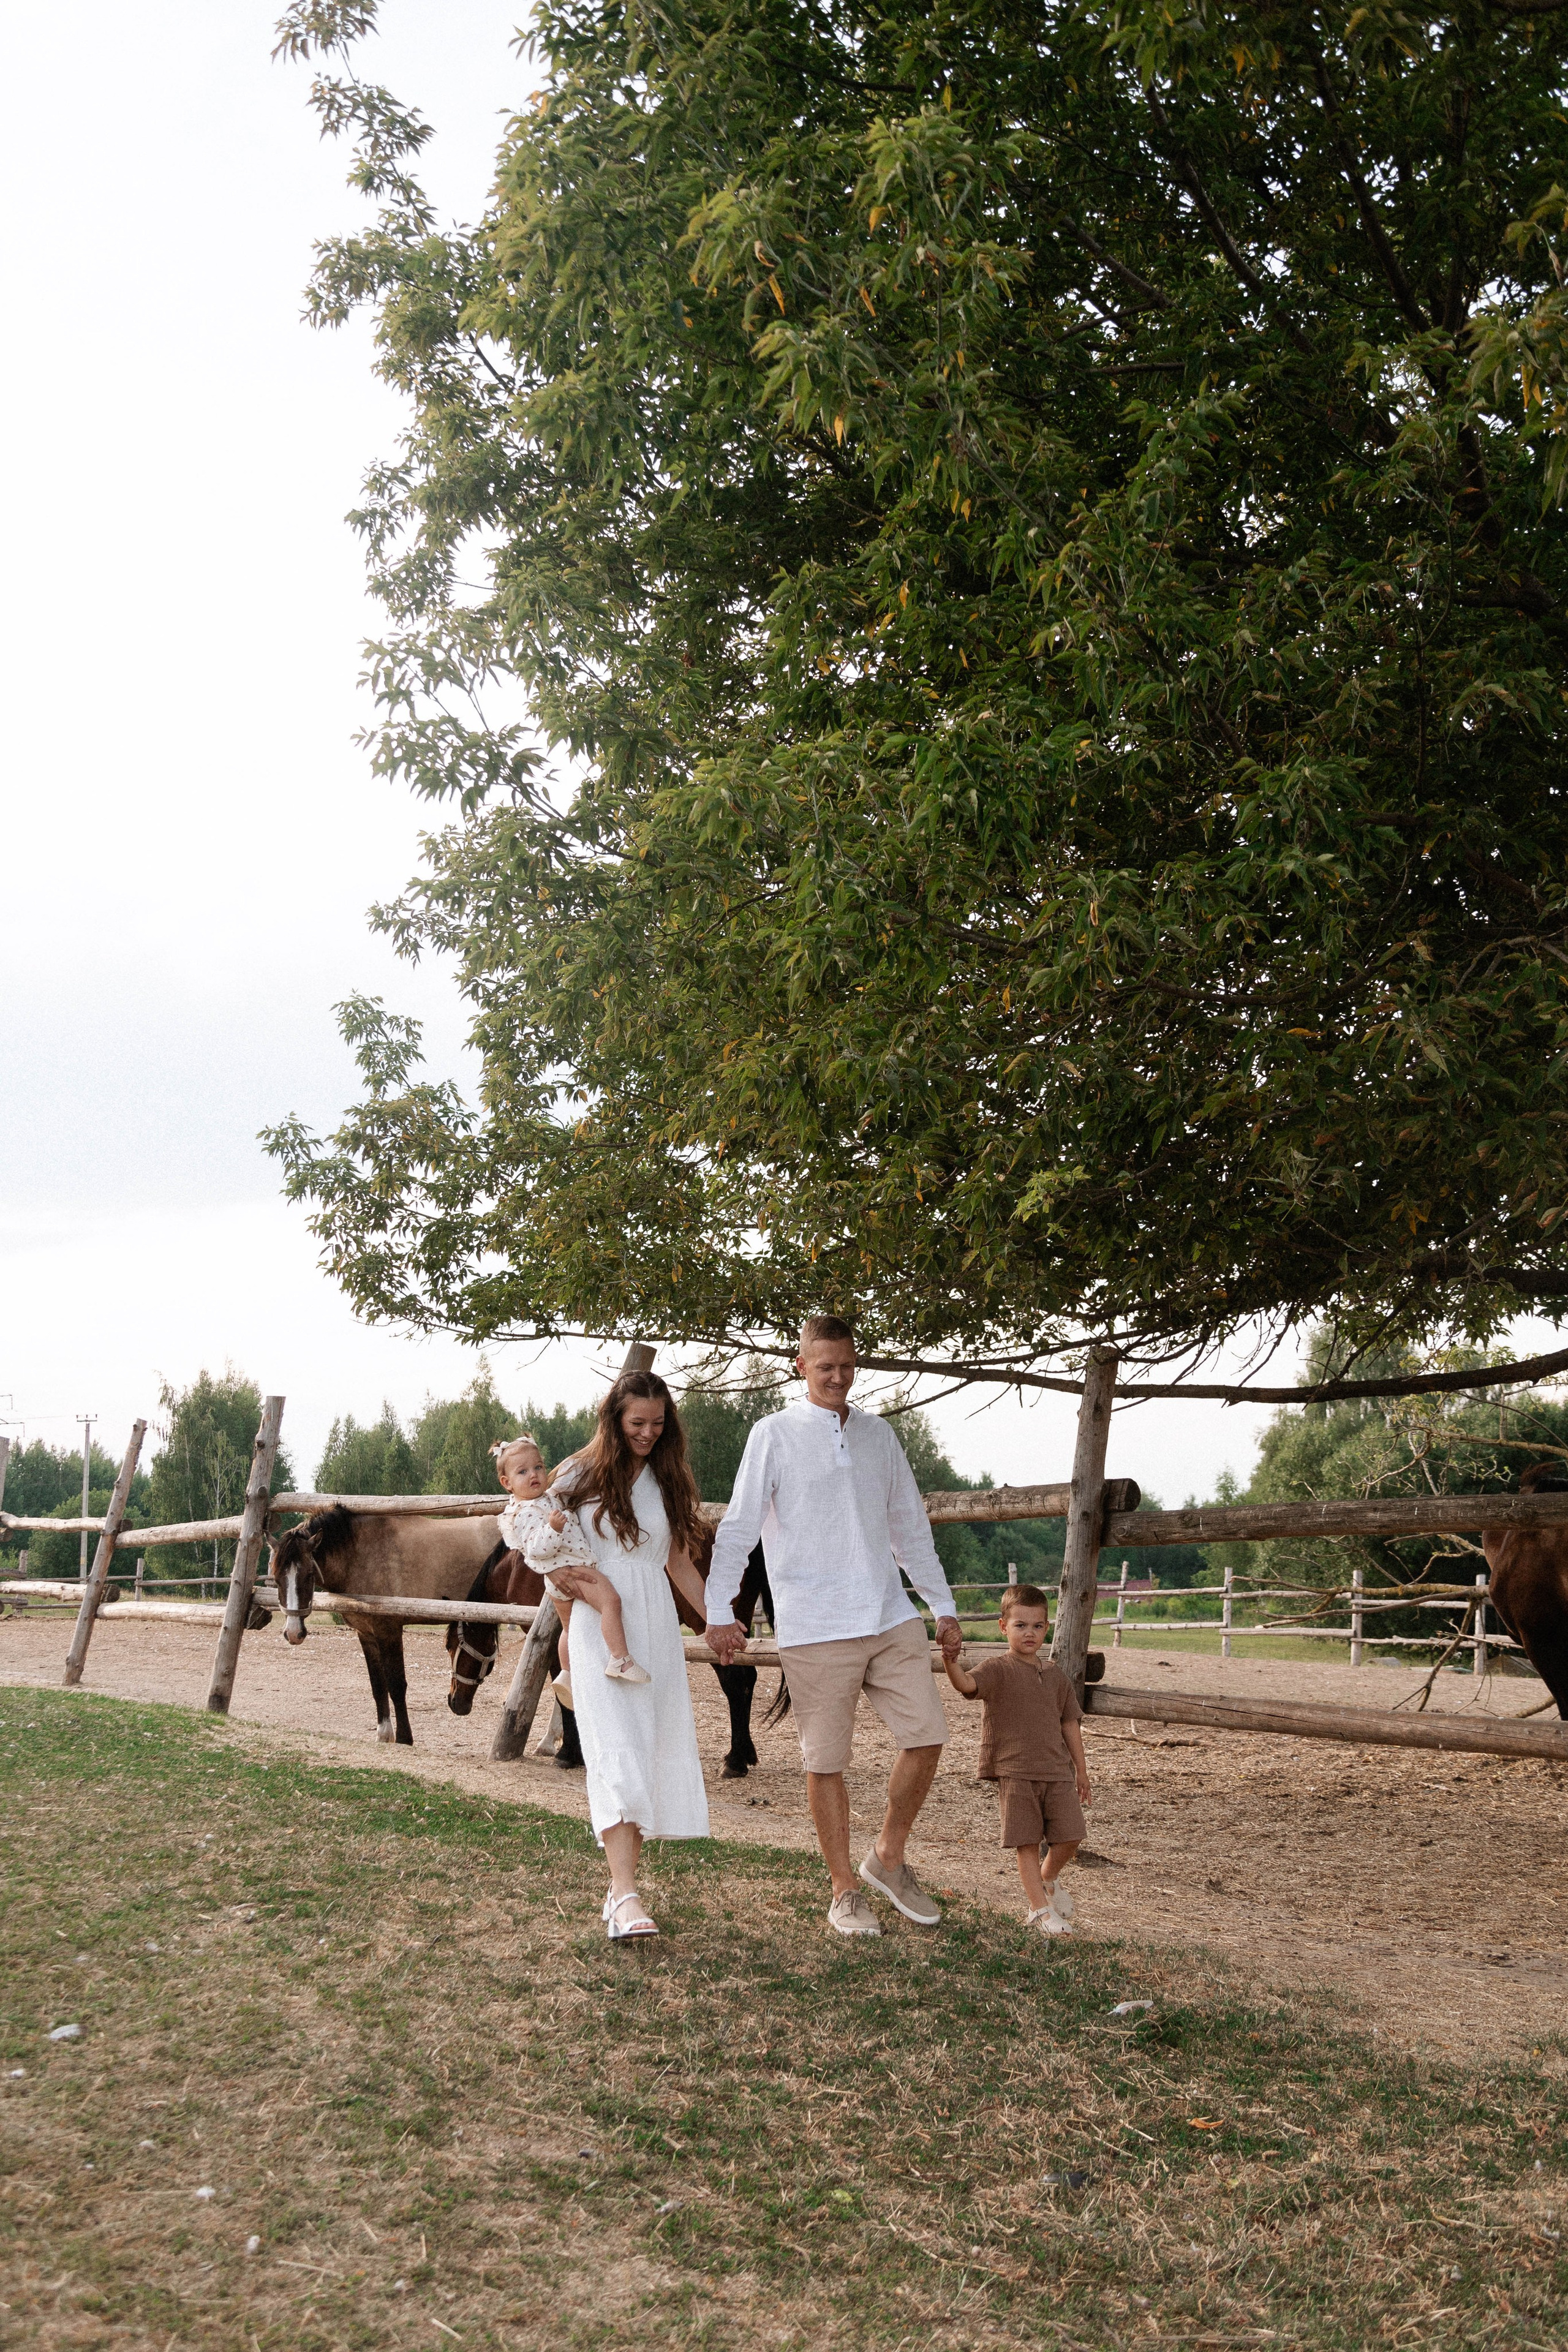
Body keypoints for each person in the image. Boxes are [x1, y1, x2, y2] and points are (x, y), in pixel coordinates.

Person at [706, 1314, 963, 1936]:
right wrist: (717, 1612)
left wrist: (942, 1604)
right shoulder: (772, 1434)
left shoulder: (878, 1437)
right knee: (825, 1762)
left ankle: (888, 1860)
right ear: (802, 1367)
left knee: (927, 1735)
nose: (838, 1377)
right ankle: (844, 1888)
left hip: (888, 1613)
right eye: (825, 1367)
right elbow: (739, 1528)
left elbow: (908, 1527)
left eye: (847, 1366)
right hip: (814, 1623)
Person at [548, 1373, 712, 1939]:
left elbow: (678, 1563)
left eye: (658, 1423)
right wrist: (558, 1580)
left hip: (656, 1627)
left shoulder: (668, 1477)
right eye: (636, 1423)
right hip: (601, 1622)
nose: (647, 1433)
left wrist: (718, 1621)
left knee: (642, 1750)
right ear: (614, 1420)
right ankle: (625, 1896)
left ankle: (622, 1888)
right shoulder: (577, 1473)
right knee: (615, 1746)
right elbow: (534, 1536)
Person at [942, 1583, 1091, 1937]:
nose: (1029, 1633)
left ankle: (1048, 1880)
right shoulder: (997, 1669)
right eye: (1020, 1625)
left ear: (1047, 1628)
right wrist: (950, 1662)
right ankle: (1039, 1911)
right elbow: (965, 1686)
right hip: (1015, 1770)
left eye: (1038, 1626)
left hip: (1057, 1771)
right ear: (1003, 1627)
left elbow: (1069, 1722)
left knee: (1071, 1835)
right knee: (1026, 1842)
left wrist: (1081, 1770)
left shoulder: (1056, 1676)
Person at [490, 1435, 650, 1700]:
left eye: (539, 1467)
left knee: (570, 1629)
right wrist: (553, 1529)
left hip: (558, 1580)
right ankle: (620, 1659)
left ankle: (567, 1673)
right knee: (611, 1602)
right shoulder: (525, 1512)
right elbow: (535, 1548)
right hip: (573, 1571)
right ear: (507, 1483)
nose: (534, 1475)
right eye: (523, 1471)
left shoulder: (545, 1499)